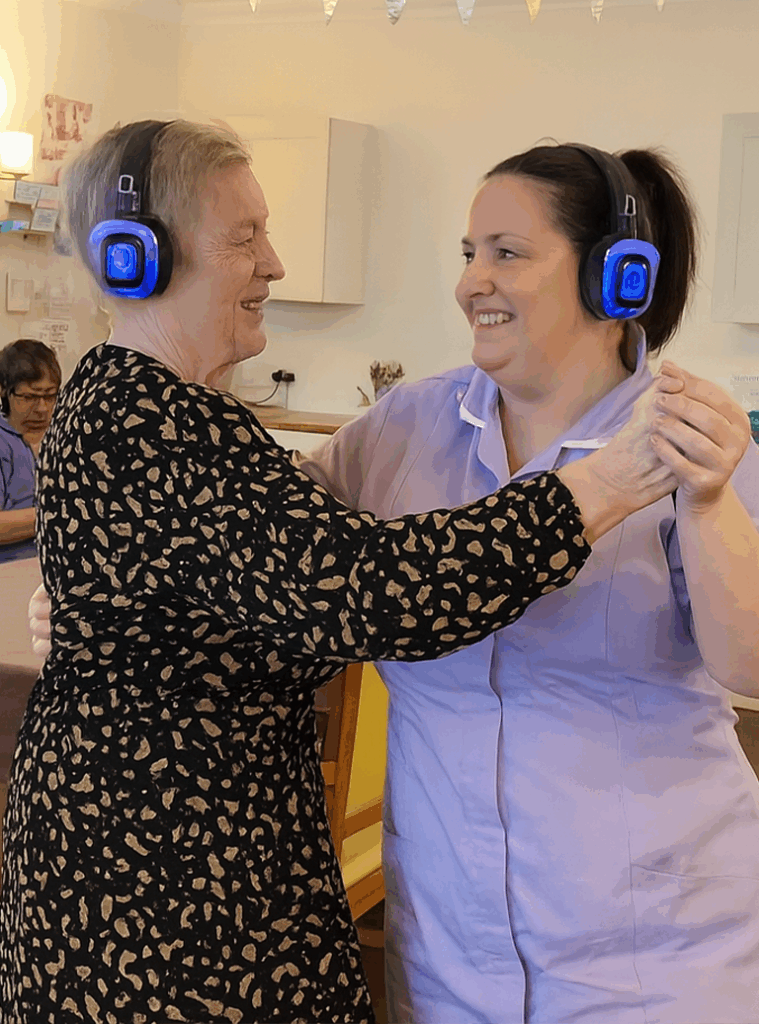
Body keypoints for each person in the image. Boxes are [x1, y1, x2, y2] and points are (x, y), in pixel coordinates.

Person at [0, 120, 685, 1024]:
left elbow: (284, 545)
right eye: (243, 236)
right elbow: (368, 591)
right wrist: (598, 486)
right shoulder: (150, 417)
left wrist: (100, 607)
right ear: (137, 256)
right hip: (161, 886)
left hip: (200, 863)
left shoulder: (165, 411)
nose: (275, 262)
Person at [294, 143, 759, 1024]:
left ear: (617, 278)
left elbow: (751, 665)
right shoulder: (402, 429)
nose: (473, 281)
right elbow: (264, 557)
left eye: (507, 252)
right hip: (447, 961)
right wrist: (96, 598)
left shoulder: (695, 443)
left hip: (658, 962)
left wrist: (702, 501)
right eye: (467, 254)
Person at [0, 339, 60, 563]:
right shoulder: (4, 443)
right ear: (4, 391)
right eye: (29, 397)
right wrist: (55, 514)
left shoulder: (61, 436)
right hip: (10, 573)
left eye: (50, 395)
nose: (42, 408)